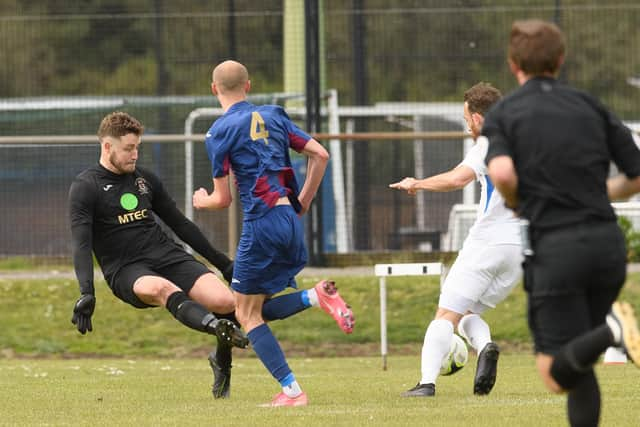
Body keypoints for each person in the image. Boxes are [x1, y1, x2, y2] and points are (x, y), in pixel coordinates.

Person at [483, 19, 640, 427]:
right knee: (580, 362)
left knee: (555, 375)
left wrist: (518, 201)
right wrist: (595, 192)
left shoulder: (506, 112)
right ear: (561, 59)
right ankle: (608, 332)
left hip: (557, 247)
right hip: (607, 245)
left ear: (513, 63)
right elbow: (637, 173)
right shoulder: (589, 104)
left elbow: (501, 174)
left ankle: (612, 332)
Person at [192, 60, 355, 407]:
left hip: (261, 223)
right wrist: (304, 202)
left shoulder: (219, 131)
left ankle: (292, 391)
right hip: (288, 219)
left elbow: (223, 199)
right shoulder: (275, 116)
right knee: (253, 309)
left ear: (213, 89)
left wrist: (202, 201)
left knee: (245, 314)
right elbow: (320, 154)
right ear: (248, 86)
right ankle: (316, 297)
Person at [68, 111, 248, 400]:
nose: (135, 154)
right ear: (107, 147)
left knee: (225, 300)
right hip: (126, 269)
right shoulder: (85, 187)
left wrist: (224, 263)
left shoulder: (145, 180)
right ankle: (218, 328)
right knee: (163, 289)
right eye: (128, 148)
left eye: (137, 147)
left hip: (166, 255)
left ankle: (221, 358)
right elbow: (80, 243)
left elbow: (181, 225)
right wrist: (86, 292)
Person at [390, 82, 522, 397]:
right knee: (467, 313)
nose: (467, 126)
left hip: (488, 243)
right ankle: (485, 346)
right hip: (521, 249)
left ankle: (426, 383)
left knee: (445, 315)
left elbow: (456, 179)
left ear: (478, 118)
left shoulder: (489, 143)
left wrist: (417, 184)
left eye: (467, 120)